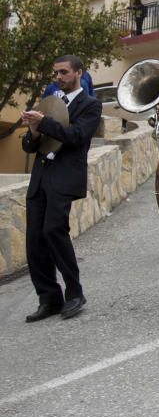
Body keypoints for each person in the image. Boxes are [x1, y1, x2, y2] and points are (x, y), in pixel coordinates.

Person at [20, 55, 102, 322]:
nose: (58, 77)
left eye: (64, 72)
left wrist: (43, 122)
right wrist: (33, 130)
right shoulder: (50, 102)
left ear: (79, 73)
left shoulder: (90, 105)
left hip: (65, 176)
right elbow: (30, 146)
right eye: (56, 73)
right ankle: (48, 298)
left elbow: (76, 136)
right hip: (41, 177)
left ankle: (75, 292)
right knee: (34, 240)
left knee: (54, 230)